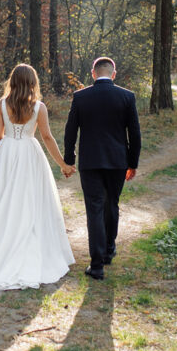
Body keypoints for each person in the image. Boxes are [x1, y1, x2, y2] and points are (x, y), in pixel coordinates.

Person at [0, 64, 76, 291]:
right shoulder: (39, 107)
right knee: (28, 198)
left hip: (6, 153)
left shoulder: (1, 104)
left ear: (13, 81)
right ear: (32, 83)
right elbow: (47, 136)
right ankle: (24, 236)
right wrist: (63, 164)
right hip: (29, 152)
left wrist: (10, 142)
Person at [63, 56, 141, 280]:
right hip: (118, 162)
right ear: (113, 74)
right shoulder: (126, 97)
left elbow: (71, 131)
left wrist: (70, 158)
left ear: (93, 73)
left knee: (95, 209)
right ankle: (108, 250)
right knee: (112, 204)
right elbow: (134, 134)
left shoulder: (81, 97)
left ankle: (97, 265)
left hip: (90, 162)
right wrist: (132, 163)